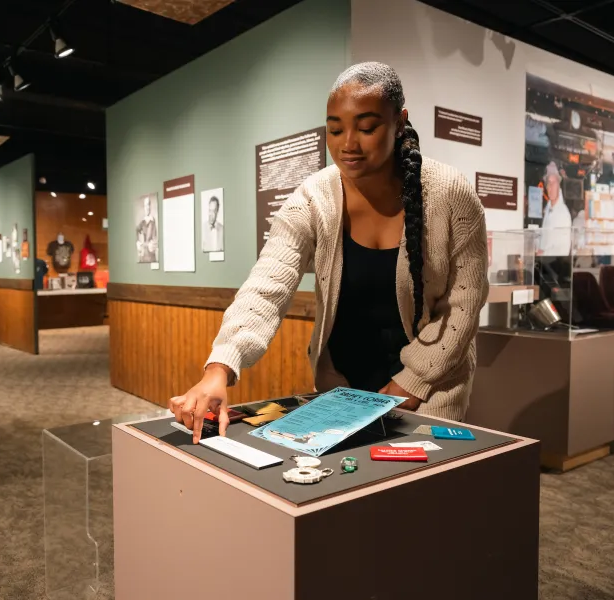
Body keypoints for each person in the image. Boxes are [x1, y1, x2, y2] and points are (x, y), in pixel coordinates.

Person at [169, 62, 489, 443]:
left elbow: (463, 304)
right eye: (335, 129)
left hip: (430, 388)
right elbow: (267, 284)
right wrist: (220, 367)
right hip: (343, 389)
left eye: (366, 128)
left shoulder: (451, 194)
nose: (348, 143)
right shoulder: (313, 197)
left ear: (400, 122)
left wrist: (412, 382)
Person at [538, 161, 572, 256]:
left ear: (558, 186)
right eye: (549, 183)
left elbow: (564, 249)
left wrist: (544, 253)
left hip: (554, 264)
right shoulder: (548, 210)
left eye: (554, 183)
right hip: (543, 262)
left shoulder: (563, 213)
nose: (551, 187)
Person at [136, 195, 158, 262]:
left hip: (151, 255)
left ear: (150, 206)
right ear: (144, 207)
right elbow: (136, 231)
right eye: (145, 205)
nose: (147, 207)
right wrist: (137, 242)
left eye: (148, 205)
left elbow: (155, 238)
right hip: (143, 255)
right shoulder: (142, 222)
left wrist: (152, 244)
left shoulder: (153, 221)